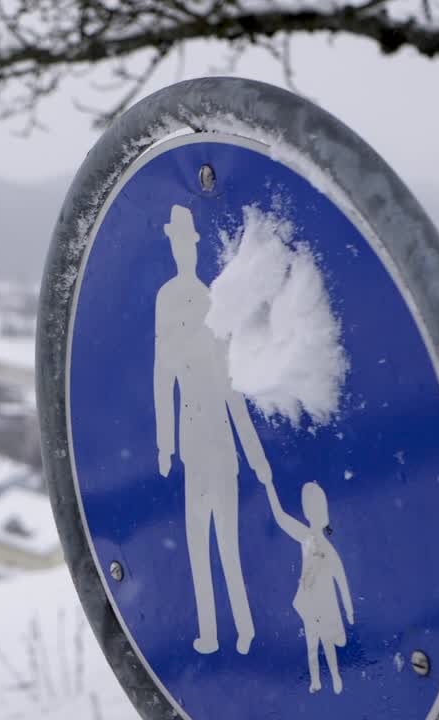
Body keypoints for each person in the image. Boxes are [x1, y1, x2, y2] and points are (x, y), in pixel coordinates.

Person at [154, 204, 272, 655]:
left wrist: (258, 461)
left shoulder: (209, 304)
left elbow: (235, 398)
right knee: (196, 547)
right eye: (175, 242)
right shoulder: (167, 300)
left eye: (186, 242)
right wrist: (165, 445)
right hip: (191, 449)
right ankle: (208, 631)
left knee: (226, 543)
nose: (181, 249)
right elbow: (160, 378)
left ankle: (244, 628)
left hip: (221, 450)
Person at [260, 477, 354, 694]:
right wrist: (269, 487)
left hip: (324, 601)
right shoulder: (307, 537)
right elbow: (281, 518)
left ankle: (335, 677)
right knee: (313, 642)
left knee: (326, 642)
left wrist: (349, 611)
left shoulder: (326, 547)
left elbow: (341, 580)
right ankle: (316, 681)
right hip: (311, 600)